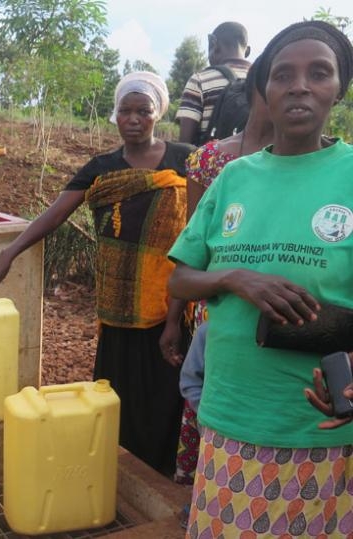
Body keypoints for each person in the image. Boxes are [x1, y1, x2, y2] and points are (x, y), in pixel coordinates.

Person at [168, 21, 353, 537]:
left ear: (339, 89)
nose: (299, 85)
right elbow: (181, 280)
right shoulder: (234, 177)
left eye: (319, 73)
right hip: (230, 418)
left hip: (318, 429)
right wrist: (237, 279)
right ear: (265, 90)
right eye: (283, 75)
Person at [0, 72, 194, 477]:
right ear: (114, 115)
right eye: (125, 111)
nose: (133, 119)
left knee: (166, 386)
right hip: (118, 299)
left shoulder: (185, 159)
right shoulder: (102, 167)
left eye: (142, 111)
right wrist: (10, 253)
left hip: (171, 298)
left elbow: (203, 226)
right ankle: (116, 464)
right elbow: (55, 214)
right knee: (116, 389)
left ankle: (164, 470)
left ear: (157, 113)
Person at [172, 58, 275, 486]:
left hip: (274, 303)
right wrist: (173, 317)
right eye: (278, 80)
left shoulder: (310, 165)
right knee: (209, 388)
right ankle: (208, 483)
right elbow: (190, 251)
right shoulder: (211, 161)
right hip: (215, 306)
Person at [176, 22, 251, 145]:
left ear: (213, 44)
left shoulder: (199, 80)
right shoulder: (266, 79)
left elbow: (185, 143)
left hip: (212, 162)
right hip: (256, 161)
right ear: (247, 51)